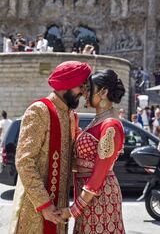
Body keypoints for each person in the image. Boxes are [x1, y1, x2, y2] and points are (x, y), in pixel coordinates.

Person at [8, 61, 91, 234]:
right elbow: (24, 162)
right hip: (36, 211)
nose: (82, 93)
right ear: (66, 85)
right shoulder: (40, 110)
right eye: (80, 86)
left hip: (59, 209)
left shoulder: (69, 115)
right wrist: (45, 205)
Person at [58, 69, 125, 233]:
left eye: (88, 89)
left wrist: (74, 209)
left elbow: (99, 173)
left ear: (103, 92)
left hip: (100, 196)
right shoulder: (97, 121)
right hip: (88, 197)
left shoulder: (110, 125)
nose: (84, 93)